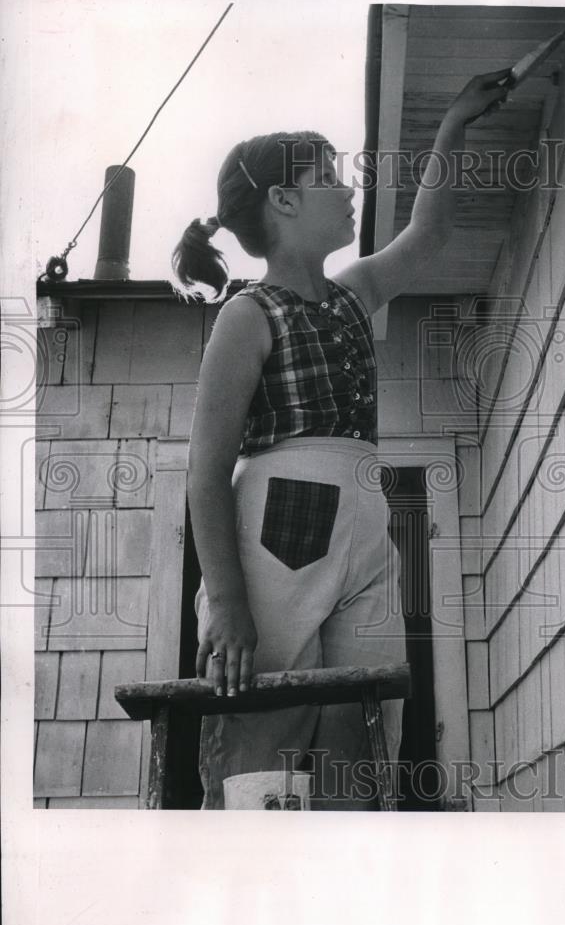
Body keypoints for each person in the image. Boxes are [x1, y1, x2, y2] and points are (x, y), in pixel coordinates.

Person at [170, 69, 510, 810]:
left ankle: (349, 844)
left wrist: (453, 124)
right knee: (273, 700)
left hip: (364, 512)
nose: (348, 190)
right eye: (328, 178)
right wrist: (225, 599)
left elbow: (430, 232)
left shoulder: (354, 291)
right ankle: (254, 853)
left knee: (362, 706)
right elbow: (206, 470)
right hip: (286, 510)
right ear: (283, 201)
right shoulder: (250, 312)